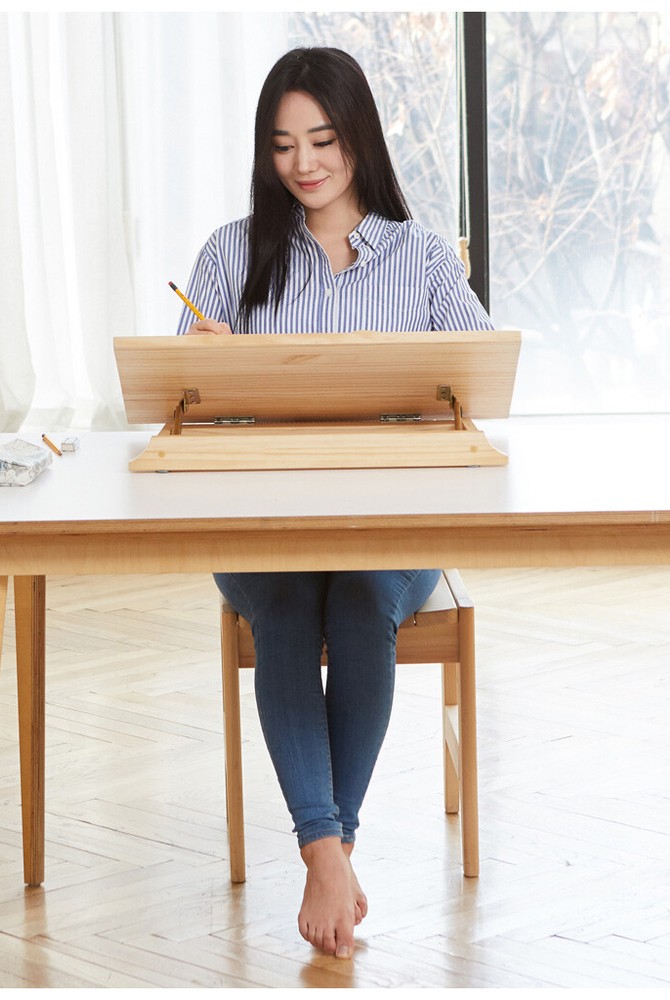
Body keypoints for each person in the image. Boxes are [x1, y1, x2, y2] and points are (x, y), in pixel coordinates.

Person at [175, 46, 493, 959]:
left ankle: (328, 851)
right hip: (257, 518)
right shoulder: (230, 253)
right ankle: (330, 850)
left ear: (359, 138)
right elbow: (178, 413)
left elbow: (479, 386)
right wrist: (213, 368)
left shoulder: (423, 255)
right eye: (283, 145)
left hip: (392, 521)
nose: (304, 164)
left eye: (322, 140)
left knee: (359, 597)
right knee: (284, 602)